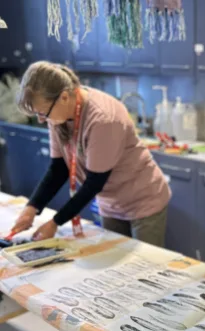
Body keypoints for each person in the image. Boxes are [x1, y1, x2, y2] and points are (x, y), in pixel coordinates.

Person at [13, 61, 171, 246]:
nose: (41, 120)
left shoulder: (103, 119)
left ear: (64, 97)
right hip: (110, 203)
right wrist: (32, 207)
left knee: (146, 265)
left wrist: (55, 222)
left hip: (142, 199)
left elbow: (94, 182)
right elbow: (59, 168)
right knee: (112, 262)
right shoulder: (56, 111)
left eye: (42, 113)